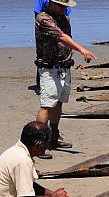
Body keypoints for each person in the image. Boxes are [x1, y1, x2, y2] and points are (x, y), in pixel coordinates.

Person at [35, 0, 96, 159]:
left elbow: (67, 37)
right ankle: (39, 143)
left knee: (59, 103)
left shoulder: (62, 18)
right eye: (62, 6)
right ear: (51, 3)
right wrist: (82, 49)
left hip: (64, 67)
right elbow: (61, 37)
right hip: (49, 68)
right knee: (47, 105)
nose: (65, 9)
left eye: (66, 7)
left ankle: (54, 137)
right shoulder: (43, 18)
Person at [33, 0, 72, 94]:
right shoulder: (42, 5)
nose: (64, 7)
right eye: (61, 6)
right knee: (44, 58)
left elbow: (67, 15)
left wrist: (67, 34)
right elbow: (37, 13)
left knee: (63, 56)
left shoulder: (63, 4)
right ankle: (40, 85)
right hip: (47, 30)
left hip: (60, 29)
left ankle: (62, 82)